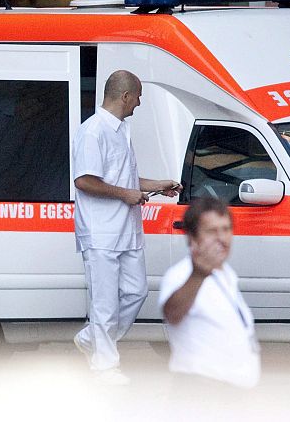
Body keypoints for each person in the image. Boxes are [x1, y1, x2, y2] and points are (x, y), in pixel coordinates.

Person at [72, 69, 181, 385]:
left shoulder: (121, 130)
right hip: (101, 232)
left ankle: (91, 340)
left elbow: (125, 177)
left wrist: (158, 185)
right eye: (138, 96)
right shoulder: (93, 131)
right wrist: (126, 194)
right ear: (125, 96)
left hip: (127, 230)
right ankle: (104, 366)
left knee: (136, 292)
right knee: (105, 303)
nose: (139, 102)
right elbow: (84, 180)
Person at [159, 196, 260, 390]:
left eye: (226, 229)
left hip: (232, 392)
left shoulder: (225, 272)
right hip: (200, 391)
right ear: (192, 237)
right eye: (212, 231)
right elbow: (172, 313)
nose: (222, 238)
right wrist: (198, 275)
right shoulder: (181, 274)